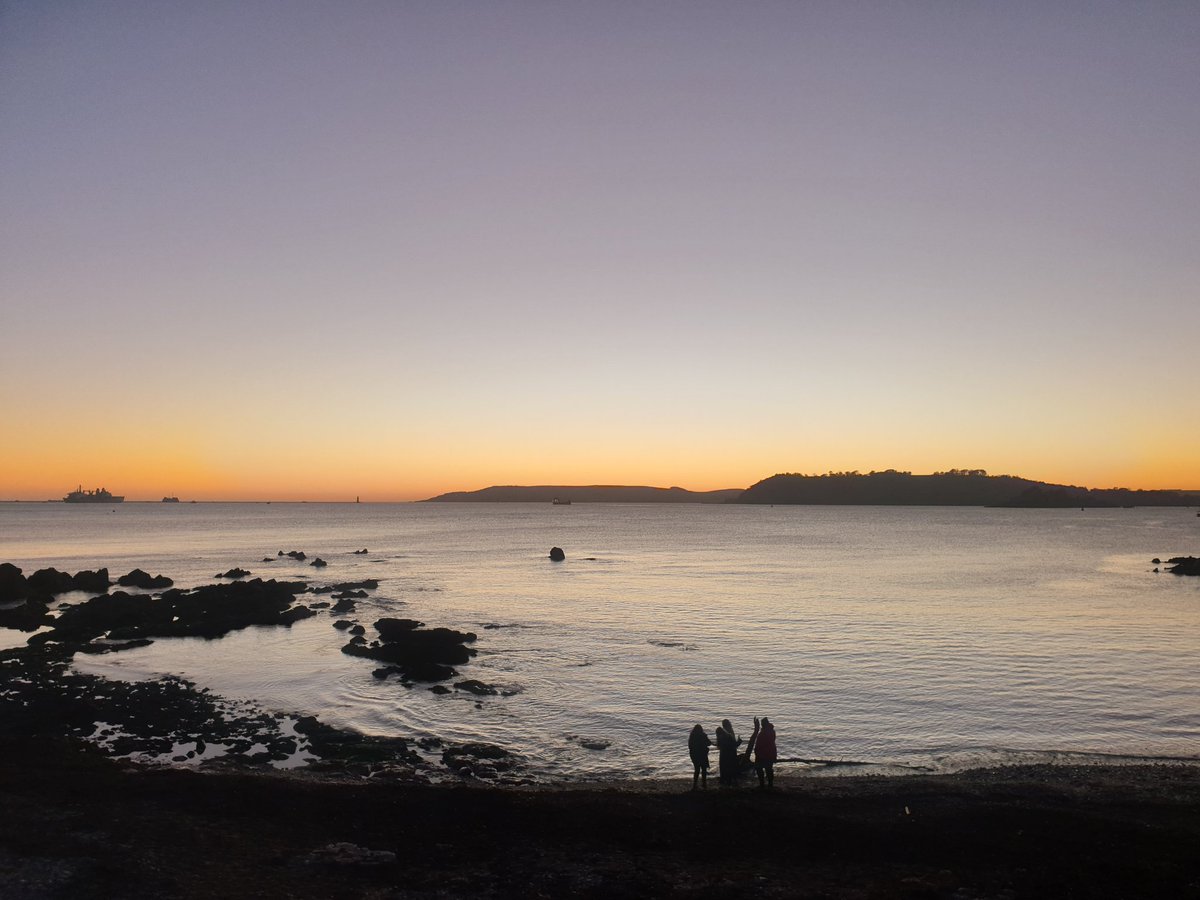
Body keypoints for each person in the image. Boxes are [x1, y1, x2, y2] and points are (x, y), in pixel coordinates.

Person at [715, 719, 742, 786]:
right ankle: (731, 780)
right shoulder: (729, 733)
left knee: (724, 767)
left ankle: (724, 779)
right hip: (731, 753)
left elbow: (719, 745)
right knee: (731, 767)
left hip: (724, 754)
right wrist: (739, 741)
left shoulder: (721, 734)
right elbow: (734, 744)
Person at [688, 724, 713, 789]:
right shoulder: (703, 735)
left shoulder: (692, 736)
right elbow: (709, 743)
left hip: (694, 754)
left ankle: (695, 784)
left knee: (697, 769)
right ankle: (704, 784)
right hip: (702, 754)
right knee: (703, 769)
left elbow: (690, 746)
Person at [755, 716, 777, 788]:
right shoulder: (772, 731)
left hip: (762, 754)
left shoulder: (763, 733)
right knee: (769, 769)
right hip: (771, 753)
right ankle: (770, 783)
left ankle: (762, 783)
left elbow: (759, 744)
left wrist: (757, 752)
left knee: (759, 768)